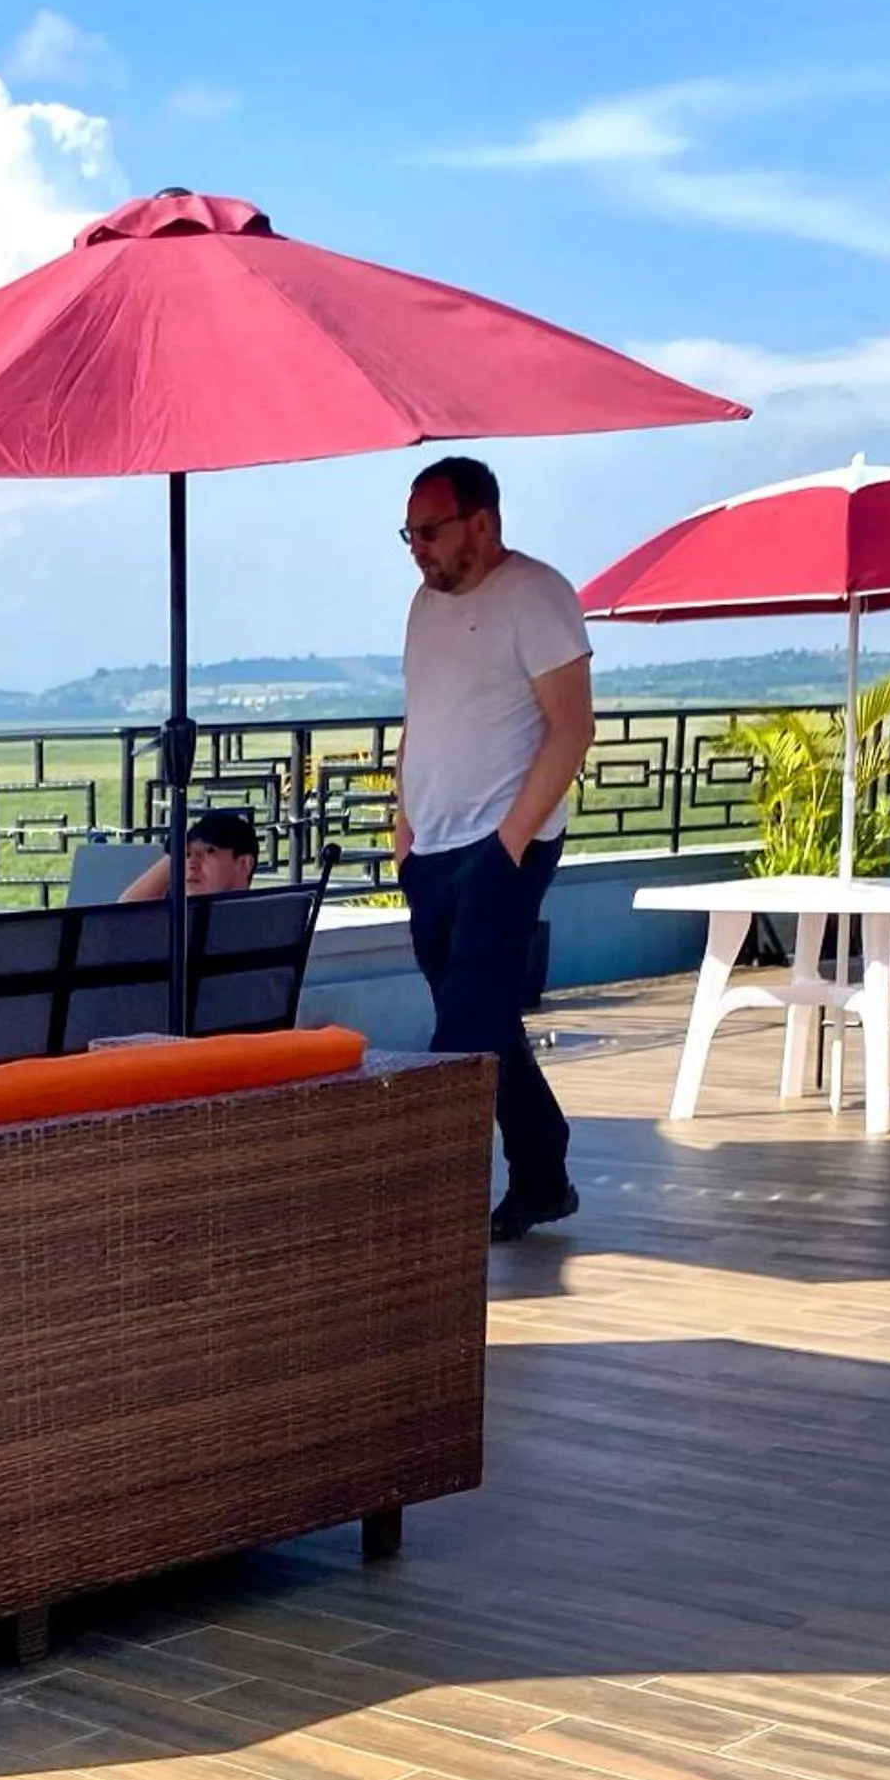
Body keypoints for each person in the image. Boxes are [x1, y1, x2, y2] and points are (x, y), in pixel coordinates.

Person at [393, 456, 596, 1243]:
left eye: (431, 530)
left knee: (463, 1035)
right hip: (432, 846)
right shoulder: (423, 604)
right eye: (409, 533)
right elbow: (421, 714)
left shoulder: (537, 594)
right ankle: (544, 1168)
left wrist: (510, 845)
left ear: (482, 520)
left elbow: (571, 726)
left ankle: (430, 1211)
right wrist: (403, 829)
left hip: (502, 847)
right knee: (475, 1014)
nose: (419, 547)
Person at [119, 806, 258, 902]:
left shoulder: (268, 921)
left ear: (244, 864)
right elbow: (126, 916)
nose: (192, 864)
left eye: (209, 851)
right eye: (187, 855)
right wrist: (175, 854)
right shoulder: (179, 924)